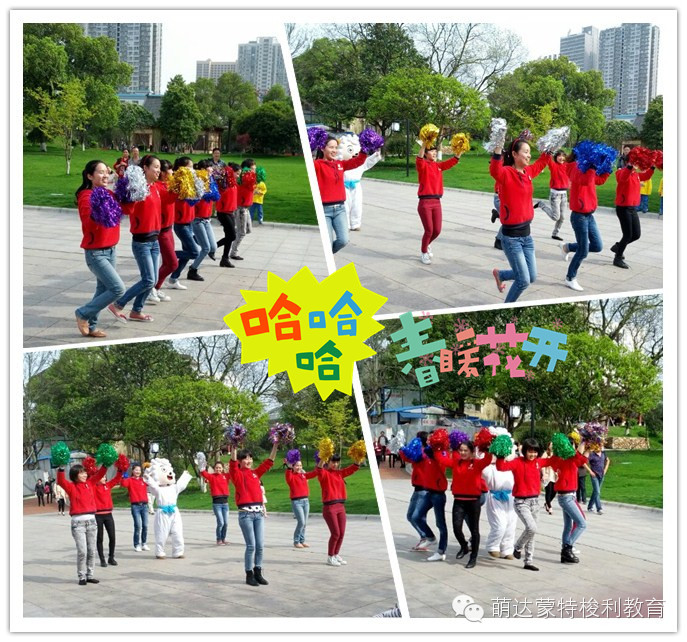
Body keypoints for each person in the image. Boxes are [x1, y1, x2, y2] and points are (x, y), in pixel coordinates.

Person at [490, 138, 550, 303]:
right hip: (512, 239)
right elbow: (495, 170)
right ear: (515, 154)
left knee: (532, 276)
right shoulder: (506, 173)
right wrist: (498, 148)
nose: (529, 155)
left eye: (529, 152)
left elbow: (541, 163)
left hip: (527, 237)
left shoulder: (528, 172)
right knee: (523, 280)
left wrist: (549, 149)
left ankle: (501, 274)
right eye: (525, 152)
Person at [74, 160, 127, 337]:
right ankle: (82, 313)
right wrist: (101, 205)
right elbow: (89, 223)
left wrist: (126, 188)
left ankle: (91, 327)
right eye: (101, 172)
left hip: (111, 249)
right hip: (96, 253)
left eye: (107, 172)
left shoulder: (108, 193)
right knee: (118, 289)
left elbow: (127, 210)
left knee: (102, 290)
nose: (105, 175)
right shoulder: (86, 196)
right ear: (90, 176)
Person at [110, 155, 163, 322]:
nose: (158, 170)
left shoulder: (155, 187)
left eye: (159, 167)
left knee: (152, 280)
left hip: (155, 240)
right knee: (148, 280)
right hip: (142, 242)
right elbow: (127, 210)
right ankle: (118, 304)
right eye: (155, 167)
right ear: (145, 168)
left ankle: (136, 311)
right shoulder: (137, 188)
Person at [557, 151, 611, 292]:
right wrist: (592, 167)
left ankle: (567, 247)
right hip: (579, 216)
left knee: (597, 246)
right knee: (583, 251)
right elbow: (585, 180)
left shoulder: (587, 169)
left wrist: (606, 169)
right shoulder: (574, 168)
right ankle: (570, 278)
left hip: (589, 215)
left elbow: (597, 180)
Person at [435, 443, 493, 568]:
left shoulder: (477, 463)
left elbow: (488, 459)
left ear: (471, 452)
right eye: (461, 450)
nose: (462, 453)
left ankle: (473, 558)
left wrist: (485, 447)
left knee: (474, 530)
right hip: (459, 501)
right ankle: (464, 546)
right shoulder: (456, 462)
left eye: (465, 450)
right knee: (456, 528)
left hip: (473, 501)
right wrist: (437, 446)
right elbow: (441, 459)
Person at [229, 442, 279, 586]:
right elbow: (232, 463)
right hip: (246, 515)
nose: (249, 460)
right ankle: (249, 574)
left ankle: (258, 572)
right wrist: (234, 445)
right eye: (245, 458)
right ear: (240, 461)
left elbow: (269, 462)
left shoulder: (255, 474)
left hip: (258, 514)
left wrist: (275, 444)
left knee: (260, 546)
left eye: (250, 458)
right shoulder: (237, 474)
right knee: (251, 546)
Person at [495, 437, 547, 571]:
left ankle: (528, 561)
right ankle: (517, 547)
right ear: (524, 451)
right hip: (521, 502)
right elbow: (501, 467)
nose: (533, 454)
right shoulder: (518, 462)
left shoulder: (538, 462)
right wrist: (500, 454)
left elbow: (555, 461)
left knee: (532, 533)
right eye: (530, 451)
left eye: (535, 451)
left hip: (535, 502)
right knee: (532, 528)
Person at [398, 431, 449, 562]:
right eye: (430, 438)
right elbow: (411, 457)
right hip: (428, 491)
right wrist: (402, 448)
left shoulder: (441, 453)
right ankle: (429, 537)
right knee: (415, 516)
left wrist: (436, 453)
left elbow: (445, 462)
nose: (431, 440)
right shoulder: (423, 452)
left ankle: (441, 551)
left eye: (433, 438)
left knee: (440, 523)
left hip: (436, 493)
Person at [314, 136, 368, 254]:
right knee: (327, 242)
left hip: (340, 209)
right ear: (322, 148)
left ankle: (328, 254)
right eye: (331, 147)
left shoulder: (340, 164)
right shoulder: (317, 165)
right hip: (324, 210)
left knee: (343, 240)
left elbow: (357, 161)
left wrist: (364, 150)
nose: (334, 150)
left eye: (336, 147)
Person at [56, 462, 107, 585]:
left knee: (91, 550)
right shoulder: (71, 486)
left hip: (92, 522)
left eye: (85, 473)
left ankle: (90, 575)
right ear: (75, 475)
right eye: (81, 473)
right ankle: (81, 576)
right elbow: (61, 481)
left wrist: (105, 464)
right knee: (82, 551)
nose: (85, 475)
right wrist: (61, 468)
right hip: (78, 524)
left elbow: (100, 474)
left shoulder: (90, 483)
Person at [415, 139, 461, 265]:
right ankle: (424, 252)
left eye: (435, 151)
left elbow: (452, 162)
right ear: (426, 154)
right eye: (431, 151)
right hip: (425, 203)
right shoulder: (422, 165)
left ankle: (426, 244)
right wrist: (424, 145)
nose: (434, 153)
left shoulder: (438, 166)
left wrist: (459, 152)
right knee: (429, 230)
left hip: (436, 202)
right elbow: (419, 158)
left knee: (437, 230)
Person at [547, 443, 592, 563]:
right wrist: (584, 442)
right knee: (582, 524)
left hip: (568, 496)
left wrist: (589, 447)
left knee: (568, 526)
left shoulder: (567, 459)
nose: (573, 448)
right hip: (566, 497)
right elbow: (580, 457)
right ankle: (567, 548)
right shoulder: (565, 460)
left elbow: (582, 459)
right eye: (571, 445)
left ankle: (565, 554)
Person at [316, 452, 362, 567]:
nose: (335, 464)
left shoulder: (340, 473)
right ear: (328, 462)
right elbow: (319, 469)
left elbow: (354, 468)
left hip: (341, 507)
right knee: (335, 533)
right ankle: (330, 557)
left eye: (337, 462)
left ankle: (336, 554)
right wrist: (323, 456)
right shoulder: (324, 474)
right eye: (333, 462)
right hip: (329, 508)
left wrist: (359, 456)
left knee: (341, 533)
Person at [611, 160, 655, 269]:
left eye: (636, 163)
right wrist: (630, 167)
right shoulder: (621, 172)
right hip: (623, 208)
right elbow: (623, 178)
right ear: (627, 163)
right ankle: (618, 258)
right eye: (633, 162)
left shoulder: (636, 175)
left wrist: (653, 167)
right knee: (627, 235)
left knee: (636, 235)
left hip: (632, 208)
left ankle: (618, 247)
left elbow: (646, 176)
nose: (636, 165)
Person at [167, 157, 200, 285]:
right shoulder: (177, 182)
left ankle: (174, 278)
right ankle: (168, 254)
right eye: (189, 167)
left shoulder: (190, 181)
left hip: (189, 222)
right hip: (181, 224)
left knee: (187, 254)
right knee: (194, 252)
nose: (192, 169)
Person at [482, 455, 517, 559]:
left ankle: (507, 549)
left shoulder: (511, 466)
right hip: (495, 497)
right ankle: (493, 545)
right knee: (500, 524)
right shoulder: (489, 468)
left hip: (510, 497)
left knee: (511, 524)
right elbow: (482, 468)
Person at [189, 159, 218, 275]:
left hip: (207, 220)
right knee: (206, 248)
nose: (211, 170)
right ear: (203, 170)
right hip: (198, 220)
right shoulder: (197, 183)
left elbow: (215, 196)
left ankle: (196, 238)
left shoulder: (210, 181)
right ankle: (193, 269)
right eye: (209, 168)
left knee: (213, 247)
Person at [284, 458, 318, 548]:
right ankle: (296, 541)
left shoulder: (303, 475)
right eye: (297, 465)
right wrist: (289, 467)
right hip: (297, 502)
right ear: (293, 466)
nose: (299, 467)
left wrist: (319, 464)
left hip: (306, 501)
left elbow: (314, 473)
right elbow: (288, 475)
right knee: (301, 522)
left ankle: (302, 540)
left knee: (305, 523)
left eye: (300, 465)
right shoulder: (291, 476)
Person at [93, 469, 123, 567]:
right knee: (100, 538)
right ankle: (102, 559)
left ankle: (111, 557)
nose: (104, 478)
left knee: (112, 537)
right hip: (98, 515)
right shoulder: (93, 487)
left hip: (108, 515)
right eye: (102, 476)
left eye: (105, 476)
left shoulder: (108, 485)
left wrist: (120, 470)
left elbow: (116, 479)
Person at [200, 461, 232, 545]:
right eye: (216, 467)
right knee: (221, 522)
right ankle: (218, 539)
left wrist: (232, 464)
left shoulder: (226, 476)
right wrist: (202, 464)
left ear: (222, 468)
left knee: (226, 523)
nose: (218, 469)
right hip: (217, 504)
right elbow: (203, 473)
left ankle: (223, 539)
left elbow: (234, 472)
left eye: (220, 467)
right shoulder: (212, 477)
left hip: (225, 504)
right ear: (214, 469)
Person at [120, 464, 150, 552]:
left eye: (139, 470)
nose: (138, 472)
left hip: (144, 506)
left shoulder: (143, 480)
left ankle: (144, 543)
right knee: (138, 526)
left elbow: (151, 483)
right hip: (135, 506)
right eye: (136, 470)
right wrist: (123, 474)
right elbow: (123, 484)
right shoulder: (130, 480)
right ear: (132, 471)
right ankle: (137, 544)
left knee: (145, 525)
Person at [230, 159, 257, 261]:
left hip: (246, 208)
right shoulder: (243, 179)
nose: (254, 170)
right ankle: (233, 253)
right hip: (241, 208)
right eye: (253, 168)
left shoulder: (249, 179)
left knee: (248, 230)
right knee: (242, 232)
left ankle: (231, 234)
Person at [215, 163, 239, 268]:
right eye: (237, 173)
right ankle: (212, 247)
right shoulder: (223, 184)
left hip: (230, 212)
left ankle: (225, 259)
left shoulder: (233, 183)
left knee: (229, 236)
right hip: (223, 213)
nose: (238, 176)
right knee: (232, 236)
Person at [547, 150, 571, 241]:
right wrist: (548, 151)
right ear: (556, 157)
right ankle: (541, 204)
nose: (561, 158)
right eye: (559, 156)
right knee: (555, 217)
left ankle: (555, 234)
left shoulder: (567, 166)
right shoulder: (553, 166)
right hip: (555, 195)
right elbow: (548, 159)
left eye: (563, 156)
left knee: (562, 217)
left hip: (564, 195)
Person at [587, 447, 610, 514]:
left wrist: (605, 470)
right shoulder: (592, 454)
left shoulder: (603, 453)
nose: (599, 447)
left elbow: (608, 460)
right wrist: (590, 471)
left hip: (602, 475)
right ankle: (599, 509)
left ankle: (590, 506)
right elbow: (584, 462)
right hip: (594, 476)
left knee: (596, 491)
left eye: (600, 446)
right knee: (597, 491)